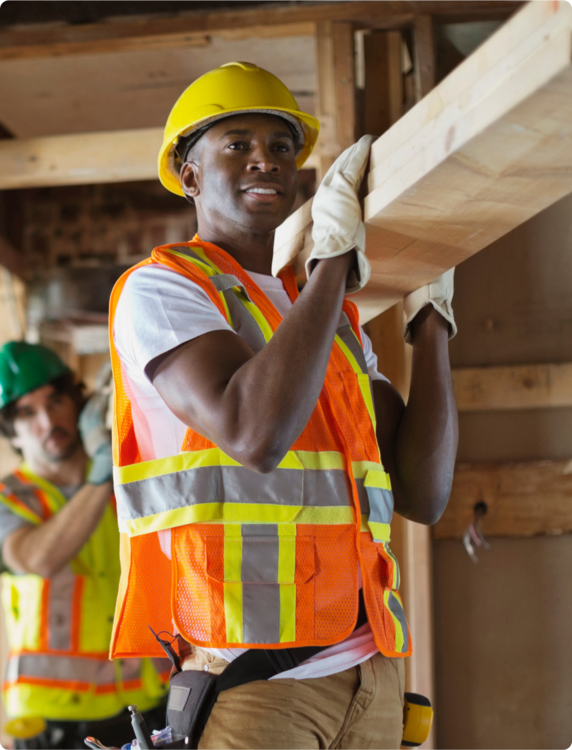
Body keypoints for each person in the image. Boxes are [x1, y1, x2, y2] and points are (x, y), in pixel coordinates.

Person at [108, 62, 458, 749]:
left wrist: (433, 325)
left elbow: (425, 492)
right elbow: (254, 433)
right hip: (254, 685)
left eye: (281, 147)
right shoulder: (165, 288)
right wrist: (331, 265)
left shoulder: (326, 314)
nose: (264, 161)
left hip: (374, 675)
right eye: (236, 144)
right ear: (189, 172)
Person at [0, 342, 169, 750]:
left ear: (80, 405)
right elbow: (36, 558)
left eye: (56, 401)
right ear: (12, 432)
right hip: (54, 718)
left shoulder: (129, 483)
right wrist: (99, 478)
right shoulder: (10, 498)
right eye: (27, 413)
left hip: (146, 701)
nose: (47, 421)